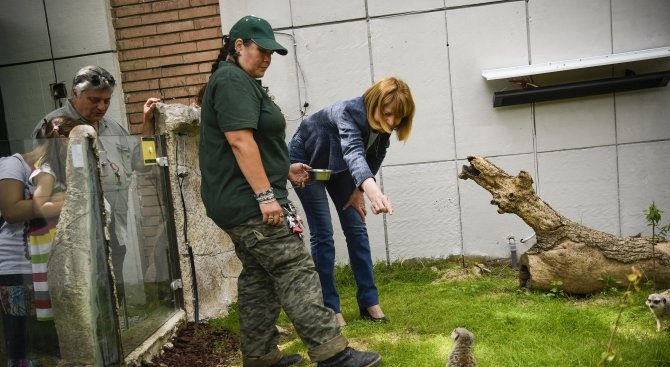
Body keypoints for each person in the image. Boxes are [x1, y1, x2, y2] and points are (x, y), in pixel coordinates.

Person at [199, 15, 382, 367]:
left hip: (238, 199)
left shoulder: (240, 80)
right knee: (294, 267)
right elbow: (239, 141)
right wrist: (266, 196)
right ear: (238, 46)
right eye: (261, 50)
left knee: (259, 278)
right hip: (249, 201)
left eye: (272, 53)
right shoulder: (232, 80)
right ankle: (333, 354)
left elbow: (249, 145)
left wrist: (284, 168)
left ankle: (260, 358)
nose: (267, 58)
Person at [288, 76, 415, 327]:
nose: (391, 123)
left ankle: (369, 301)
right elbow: (354, 152)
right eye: (387, 114)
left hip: (341, 168)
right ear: (375, 102)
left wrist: (360, 190)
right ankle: (330, 307)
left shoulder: (384, 127)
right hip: (307, 163)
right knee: (323, 232)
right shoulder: (347, 112)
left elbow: (373, 158)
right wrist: (375, 194)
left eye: (397, 118)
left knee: (356, 228)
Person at [31, 65, 160, 304]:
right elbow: (43, 175)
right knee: (85, 297)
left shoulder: (114, 127)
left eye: (107, 101)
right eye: (94, 100)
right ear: (75, 94)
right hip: (79, 230)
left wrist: (147, 125)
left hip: (115, 227)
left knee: (113, 291)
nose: (101, 107)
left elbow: (144, 165)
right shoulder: (54, 125)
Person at [0, 116, 82, 365]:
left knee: (49, 336)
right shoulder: (14, 165)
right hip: (16, 266)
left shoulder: (55, 171)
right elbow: (12, 211)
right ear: (56, 142)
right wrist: (68, 202)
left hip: (47, 262)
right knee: (21, 339)